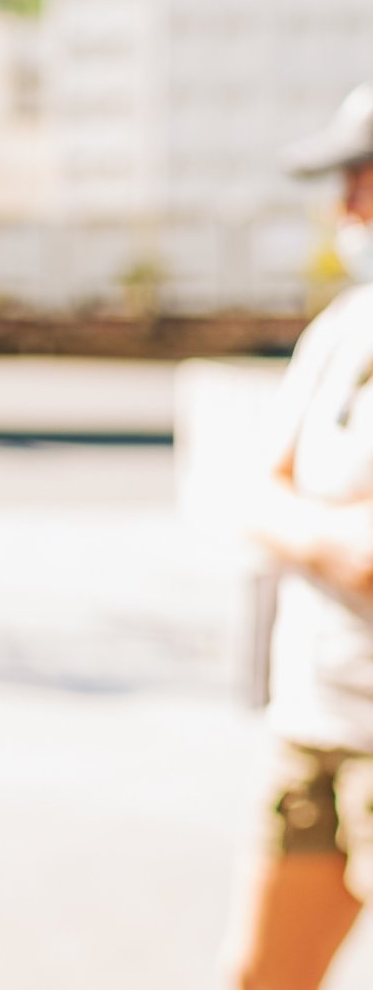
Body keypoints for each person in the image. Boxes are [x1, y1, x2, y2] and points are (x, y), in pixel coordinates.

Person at [230, 82, 373, 990]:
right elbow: (256, 490)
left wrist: (305, 529)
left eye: (363, 178)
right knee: (261, 976)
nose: (348, 205)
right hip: (315, 717)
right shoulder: (344, 328)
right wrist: (333, 538)